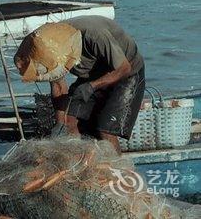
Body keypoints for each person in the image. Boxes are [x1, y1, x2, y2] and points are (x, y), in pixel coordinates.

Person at [14, 15, 145, 154]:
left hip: (126, 72)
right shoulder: (46, 50)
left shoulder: (94, 35)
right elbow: (58, 86)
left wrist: (92, 86)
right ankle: (79, 166)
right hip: (92, 73)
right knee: (70, 121)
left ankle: (116, 169)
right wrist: (60, 124)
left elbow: (124, 68)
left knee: (104, 129)